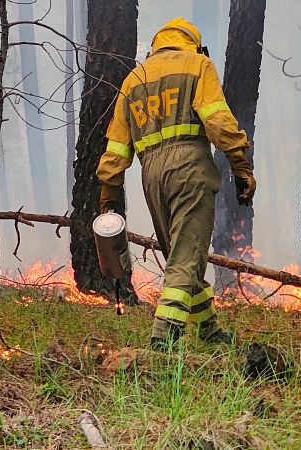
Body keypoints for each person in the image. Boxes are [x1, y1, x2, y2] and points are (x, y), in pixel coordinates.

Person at [96, 18, 256, 349]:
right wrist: (240, 165)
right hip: (190, 166)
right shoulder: (198, 64)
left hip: (151, 174)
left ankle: (209, 330)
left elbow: (116, 146)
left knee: (182, 254)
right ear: (193, 44)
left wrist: (108, 196)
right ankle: (163, 337)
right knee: (187, 254)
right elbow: (218, 121)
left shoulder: (134, 79)